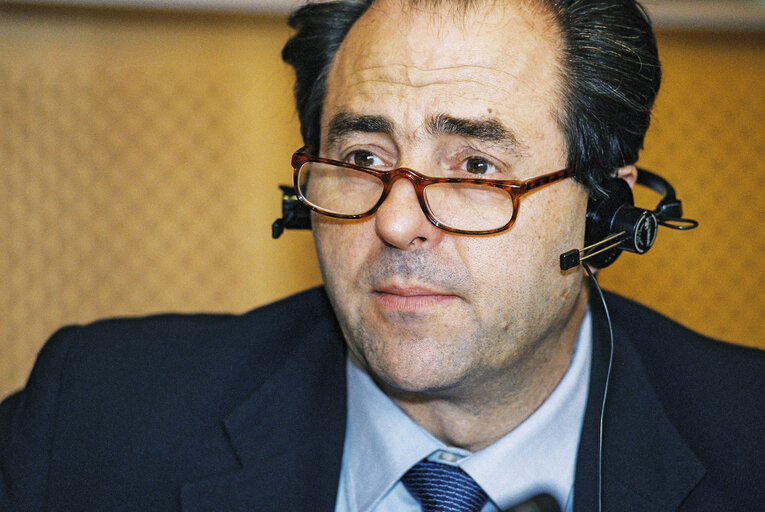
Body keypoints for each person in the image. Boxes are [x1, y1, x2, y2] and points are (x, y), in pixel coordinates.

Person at [1, 0, 763, 511]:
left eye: (474, 168)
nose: (397, 224)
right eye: (362, 159)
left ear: (604, 210)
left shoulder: (747, 437)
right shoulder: (91, 418)